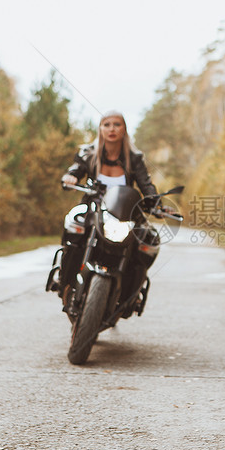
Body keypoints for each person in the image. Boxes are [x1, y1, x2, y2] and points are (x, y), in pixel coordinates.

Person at [58, 110, 160, 305]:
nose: (112, 129)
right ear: (100, 129)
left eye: (117, 124)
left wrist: (155, 202)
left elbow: (145, 184)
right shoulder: (88, 153)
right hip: (93, 209)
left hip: (123, 213)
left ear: (124, 129)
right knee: (73, 226)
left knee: (147, 240)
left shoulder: (134, 158)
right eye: (107, 124)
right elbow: (75, 170)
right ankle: (64, 277)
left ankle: (132, 293)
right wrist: (70, 177)